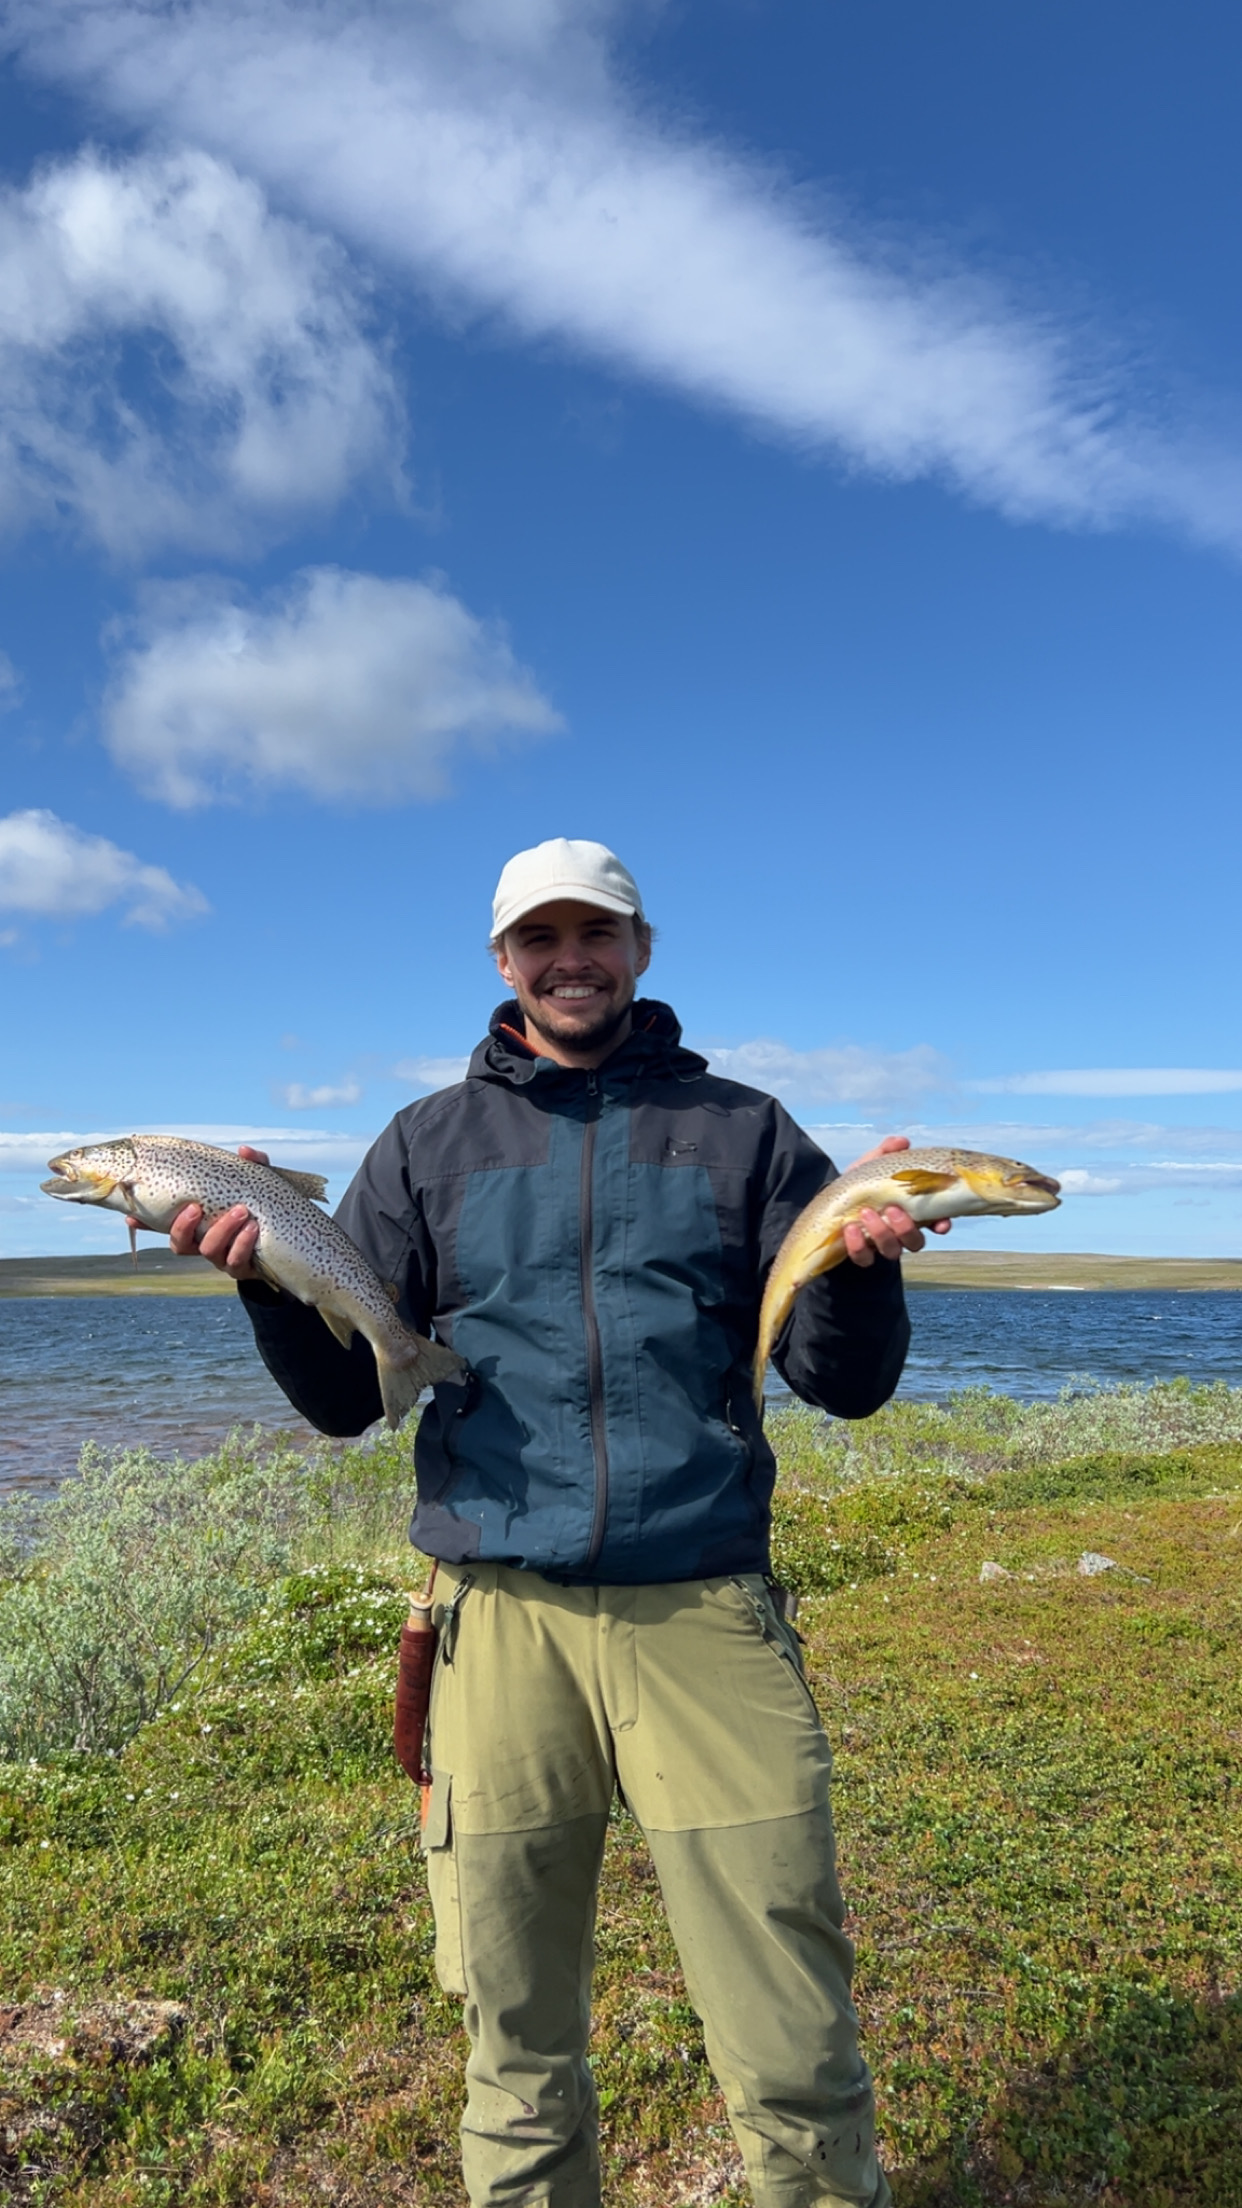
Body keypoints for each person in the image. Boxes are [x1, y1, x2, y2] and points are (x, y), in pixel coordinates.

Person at [168, 838, 950, 2208]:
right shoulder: (425, 1144)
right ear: (502, 961)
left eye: (598, 934)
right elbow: (351, 1402)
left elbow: (844, 1383)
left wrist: (865, 1271)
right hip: (498, 1622)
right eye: (542, 938)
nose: (570, 960)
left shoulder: (747, 1132)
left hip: (706, 1612)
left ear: (642, 950)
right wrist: (266, 1287)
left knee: (793, 2038)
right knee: (515, 2048)